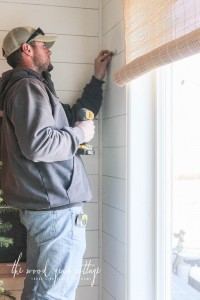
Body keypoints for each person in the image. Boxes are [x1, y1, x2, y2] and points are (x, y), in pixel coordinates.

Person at [0, 26, 112, 300]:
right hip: (55, 211)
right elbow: (40, 144)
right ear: (26, 49)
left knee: (40, 291)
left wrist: (97, 78)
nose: (48, 49)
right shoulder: (27, 88)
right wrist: (80, 134)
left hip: (45, 208)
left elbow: (73, 114)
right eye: (42, 45)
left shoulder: (27, 89)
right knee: (54, 294)